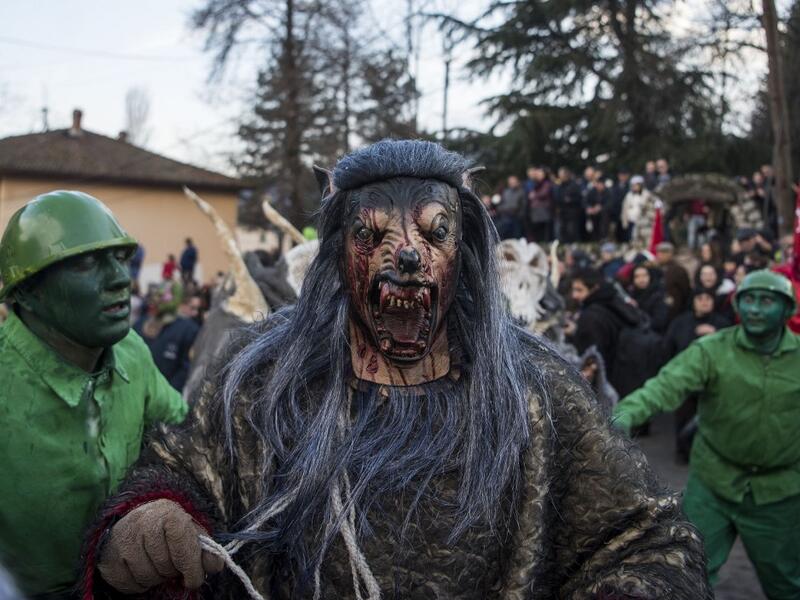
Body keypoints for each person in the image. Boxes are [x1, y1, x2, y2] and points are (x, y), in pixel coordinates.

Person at [80, 140, 709, 599]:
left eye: (435, 235)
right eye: (371, 234)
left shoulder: (537, 391)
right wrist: (152, 519)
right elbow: (183, 469)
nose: (407, 254)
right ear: (333, 257)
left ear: (463, 256)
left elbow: (648, 540)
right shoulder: (262, 381)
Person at [0, 191, 188, 598]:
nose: (121, 278)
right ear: (28, 292)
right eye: (86, 263)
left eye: (120, 258)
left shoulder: (132, 353)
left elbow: (186, 438)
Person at [614, 270, 800, 598]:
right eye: (748, 300)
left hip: (778, 495)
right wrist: (621, 419)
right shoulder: (712, 350)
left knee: (785, 584)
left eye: (766, 301)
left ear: (788, 310)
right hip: (713, 484)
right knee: (687, 574)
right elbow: (663, 386)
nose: (755, 309)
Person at [135, 295, 201, 393]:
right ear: (180, 304)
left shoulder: (189, 329)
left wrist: (168, 393)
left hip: (163, 394)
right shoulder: (141, 323)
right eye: (192, 307)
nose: (195, 313)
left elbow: (185, 367)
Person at [655, 242, 692, 320]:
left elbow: (686, 291)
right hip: (657, 312)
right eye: (658, 252)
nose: (659, 255)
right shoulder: (655, 268)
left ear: (670, 254)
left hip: (674, 313)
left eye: (662, 253)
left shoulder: (678, 270)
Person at [629, 264, 670, 333]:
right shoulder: (632, 294)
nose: (641, 280)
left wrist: (636, 309)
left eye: (645, 275)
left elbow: (659, 323)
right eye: (637, 276)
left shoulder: (658, 294)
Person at [621, 175, 655, 244]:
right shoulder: (629, 195)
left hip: (644, 223)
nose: (634, 187)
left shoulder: (647, 195)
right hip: (631, 222)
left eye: (636, 185)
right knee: (633, 240)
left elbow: (652, 209)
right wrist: (625, 222)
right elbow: (624, 209)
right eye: (633, 185)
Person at [526, 166, 553, 242]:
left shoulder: (547, 183)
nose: (537, 174)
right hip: (536, 210)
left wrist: (534, 195)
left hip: (544, 209)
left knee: (544, 230)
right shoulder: (536, 183)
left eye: (539, 173)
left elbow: (544, 193)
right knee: (537, 229)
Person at [495, 175, 525, 239]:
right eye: (510, 182)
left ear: (517, 182)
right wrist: (502, 209)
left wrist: (504, 209)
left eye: (514, 182)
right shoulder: (506, 192)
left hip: (517, 218)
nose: (512, 184)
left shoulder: (521, 192)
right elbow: (500, 205)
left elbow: (516, 207)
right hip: (505, 217)